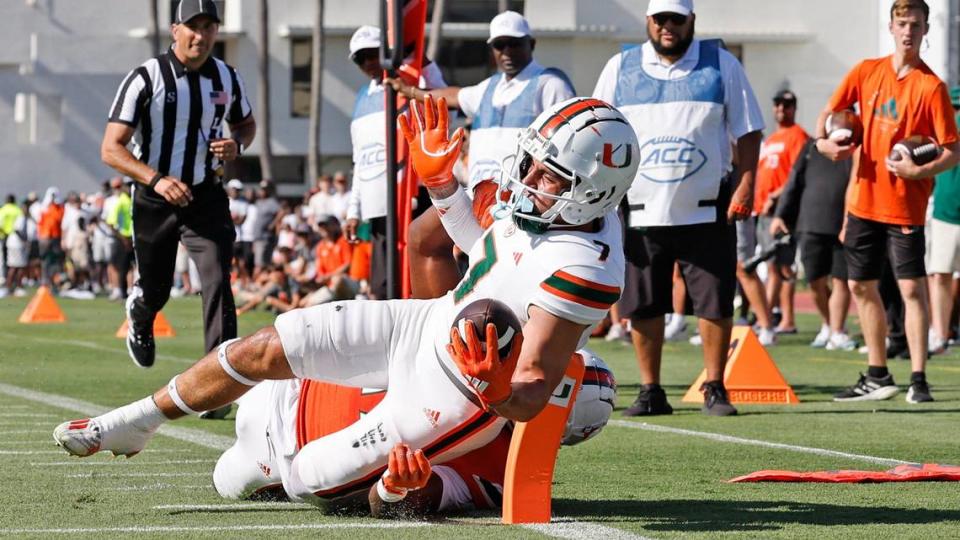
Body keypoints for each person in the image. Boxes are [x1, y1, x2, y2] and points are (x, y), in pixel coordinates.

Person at [53, 96, 639, 510]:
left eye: (551, 176)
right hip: (430, 321)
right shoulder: (550, 206)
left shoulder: (584, 266)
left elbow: (533, 388)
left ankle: (276, 468)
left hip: (457, 391)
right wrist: (441, 186)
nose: (530, 176)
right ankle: (136, 422)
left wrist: (491, 390)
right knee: (267, 345)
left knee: (307, 480)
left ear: (593, 192)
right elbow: (482, 248)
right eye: (534, 160)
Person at [592, 0, 764, 416]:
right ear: (649, 22)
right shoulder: (620, 66)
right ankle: (651, 390)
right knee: (643, 303)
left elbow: (748, 130)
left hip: (708, 205)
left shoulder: (721, 64)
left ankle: (715, 385)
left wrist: (745, 184)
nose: (668, 27)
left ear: (691, 21)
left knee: (715, 301)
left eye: (676, 19)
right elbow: (595, 125)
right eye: (660, 19)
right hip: (639, 206)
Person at [210, 348, 613, 517]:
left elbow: (423, 495)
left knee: (223, 481)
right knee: (221, 362)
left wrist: (397, 488)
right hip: (295, 377)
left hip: (281, 453)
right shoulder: (492, 346)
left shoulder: (502, 476)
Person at [817, 0, 959, 403]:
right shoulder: (866, 70)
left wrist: (919, 172)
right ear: (892, 26)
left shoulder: (932, 86)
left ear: (926, 29)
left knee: (912, 290)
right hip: (863, 202)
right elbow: (830, 113)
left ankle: (918, 378)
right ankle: (878, 374)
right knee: (861, 286)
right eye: (902, 23)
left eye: (915, 24)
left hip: (905, 207)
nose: (908, 31)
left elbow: (952, 149)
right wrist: (825, 143)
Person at [101, 0, 256, 367]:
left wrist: (239, 144)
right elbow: (110, 148)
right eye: (193, 26)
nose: (201, 36)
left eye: (209, 27)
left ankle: (219, 377)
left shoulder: (227, 77)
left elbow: (245, 124)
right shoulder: (146, 77)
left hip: (206, 193)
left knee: (217, 277)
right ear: (176, 30)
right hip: (155, 197)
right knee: (157, 288)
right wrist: (156, 179)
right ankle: (141, 310)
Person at [388, 11, 575, 191]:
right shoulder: (488, 86)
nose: (507, 51)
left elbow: (568, 146)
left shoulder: (551, 84)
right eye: (500, 45)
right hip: (478, 199)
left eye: (514, 43)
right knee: (418, 225)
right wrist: (409, 91)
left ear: (531, 44)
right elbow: (453, 96)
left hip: (522, 205)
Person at [342, 26, 447, 300]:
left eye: (373, 54)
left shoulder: (411, 83)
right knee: (383, 287)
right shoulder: (361, 98)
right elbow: (359, 160)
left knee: (419, 282)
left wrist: (415, 54)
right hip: (377, 204)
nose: (367, 63)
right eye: (360, 58)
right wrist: (354, 210)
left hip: (412, 197)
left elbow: (441, 93)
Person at [769, 136, 856, 351]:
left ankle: (837, 331)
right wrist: (781, 214)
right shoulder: (811, 147)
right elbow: (794, 180)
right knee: (815, 282)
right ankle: (828, 324)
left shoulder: (856, 148)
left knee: (840, 281)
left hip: (844, 224)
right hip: (810, 223)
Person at [754, 90, 809, 335]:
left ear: (794, 108)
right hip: (762, 210)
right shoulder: (772, 138)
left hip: (781, 211)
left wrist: (776, 196)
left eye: (786, 105)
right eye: (777, 105)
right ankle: (779, 318)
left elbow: (797, 174)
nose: (781, 109)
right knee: (776, 267)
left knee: (780, 266)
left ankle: (775, 319)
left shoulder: (798, 136)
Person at [925, 86, 960, 355]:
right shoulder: (940, 128)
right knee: (940, 275)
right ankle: (939, 332)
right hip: (945, 212)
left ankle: (940, 333)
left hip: (943, 212)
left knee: (941, 276)